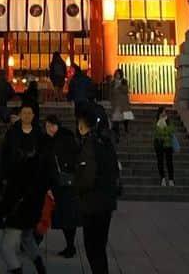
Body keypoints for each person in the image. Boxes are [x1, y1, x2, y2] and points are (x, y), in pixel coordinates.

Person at [0, 102, 46, 274]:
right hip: (14, 184)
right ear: (20, 114)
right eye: (24, 112)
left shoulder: (39, 135)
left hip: (30, 192)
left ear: (34, 115)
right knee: (27, 236)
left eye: (30, 113)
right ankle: (40, 266)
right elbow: (3, 158)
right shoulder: (12, 134)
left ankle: (21, 268)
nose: (27, 116)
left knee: (22, 236)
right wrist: (1, 180)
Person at [73, 107, 120, 274]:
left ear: (82, 125)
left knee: (92, 247)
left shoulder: (89, 144)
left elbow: (87, 177)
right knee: (100, 247)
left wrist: (75, 186)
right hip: (107, 202)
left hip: (93, 203)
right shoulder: (107, 142)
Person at [42, 115, 79, 259]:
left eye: (49, 126)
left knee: (66, 216)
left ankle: (70, 246)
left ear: (54, 125)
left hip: (64, 184)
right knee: (63, 216)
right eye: (46, 127)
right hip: (61, 183)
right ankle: (69, 246)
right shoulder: (52, 140)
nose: (47, 129)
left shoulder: (62, 140)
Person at [153, 107, 176, 188]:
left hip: (168, 144)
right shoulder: (157, 122)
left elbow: (171, 130)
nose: (164, 113)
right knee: (160, 162)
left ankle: (171, 179)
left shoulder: (169, 121)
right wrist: (165, 131)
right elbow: (157, 132)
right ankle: (162, 178)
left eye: (165, 112)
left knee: (169, 162)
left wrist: (164, 129)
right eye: (162, 112)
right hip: (159, 144)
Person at [108, 69, 133, 141]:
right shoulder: (113, 82)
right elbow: (111, 92)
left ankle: (126, 130)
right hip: (116, 103)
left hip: (123, 102)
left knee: (126, 117)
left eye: (118, 74)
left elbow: (126, 90)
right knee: (116, 120)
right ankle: (116, 135)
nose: (117, 75)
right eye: (116, 74)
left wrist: (119, 86)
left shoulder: (124, 81)